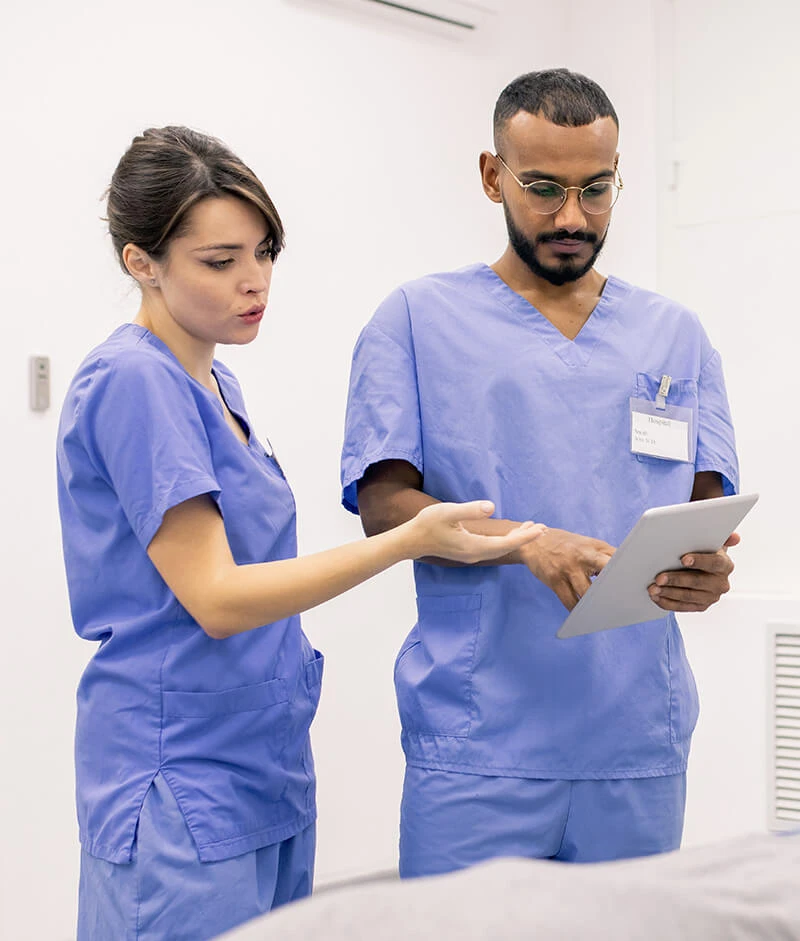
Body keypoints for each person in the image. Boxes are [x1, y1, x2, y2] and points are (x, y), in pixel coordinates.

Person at [55, 126, 544, 941]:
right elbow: (214, 597)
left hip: (261, 760)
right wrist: (406, 539)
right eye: (220, 262)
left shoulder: (216, 382)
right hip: (177, 773)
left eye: (264, 252)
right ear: (142, 262)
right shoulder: (135, 381)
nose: (255, 282)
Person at [339, 69, 740, 878]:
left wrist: (708, 571)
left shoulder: (674, 334)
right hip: (480, 742)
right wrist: (525, 540)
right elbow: (384, 504)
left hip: (634, 740)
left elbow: (706, 503)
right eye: (544, 188)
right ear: (493, 177)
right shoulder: (417, 319)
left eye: (597, 190)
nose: (572, 217)